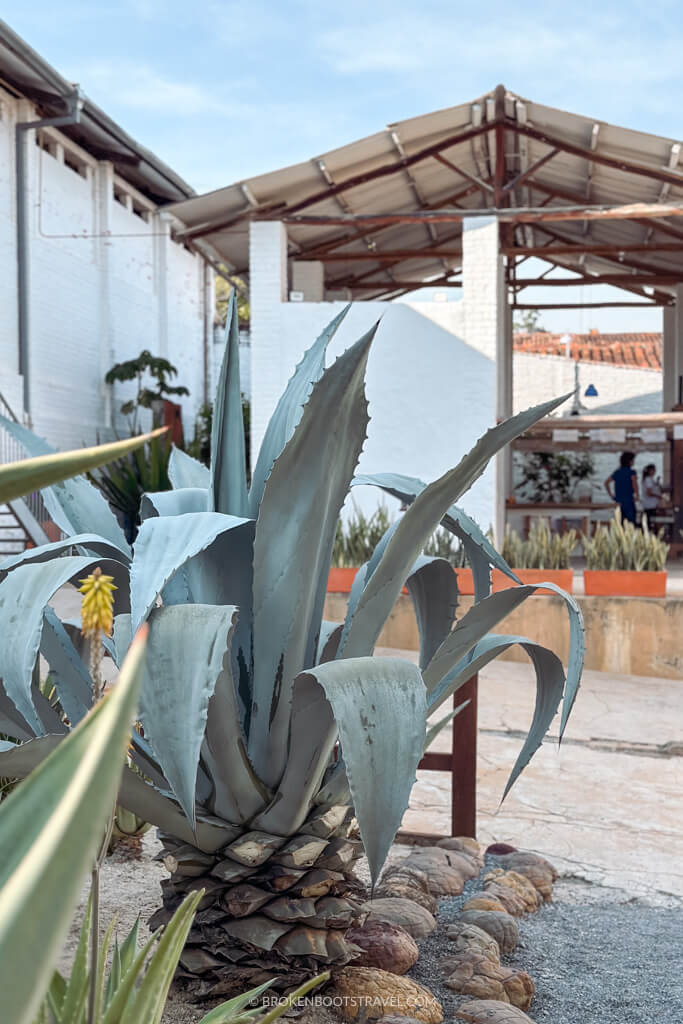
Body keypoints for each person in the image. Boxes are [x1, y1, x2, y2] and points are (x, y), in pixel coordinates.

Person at [605, 451, 638, 523]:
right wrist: (637, 495)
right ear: (629, 461)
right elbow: (634, 485)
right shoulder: (632, 472)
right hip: (629, 500)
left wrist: (611, 495)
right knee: (631, 523)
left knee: (620, 523)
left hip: (618, 500)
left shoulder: (617, 472)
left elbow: (606, 483)